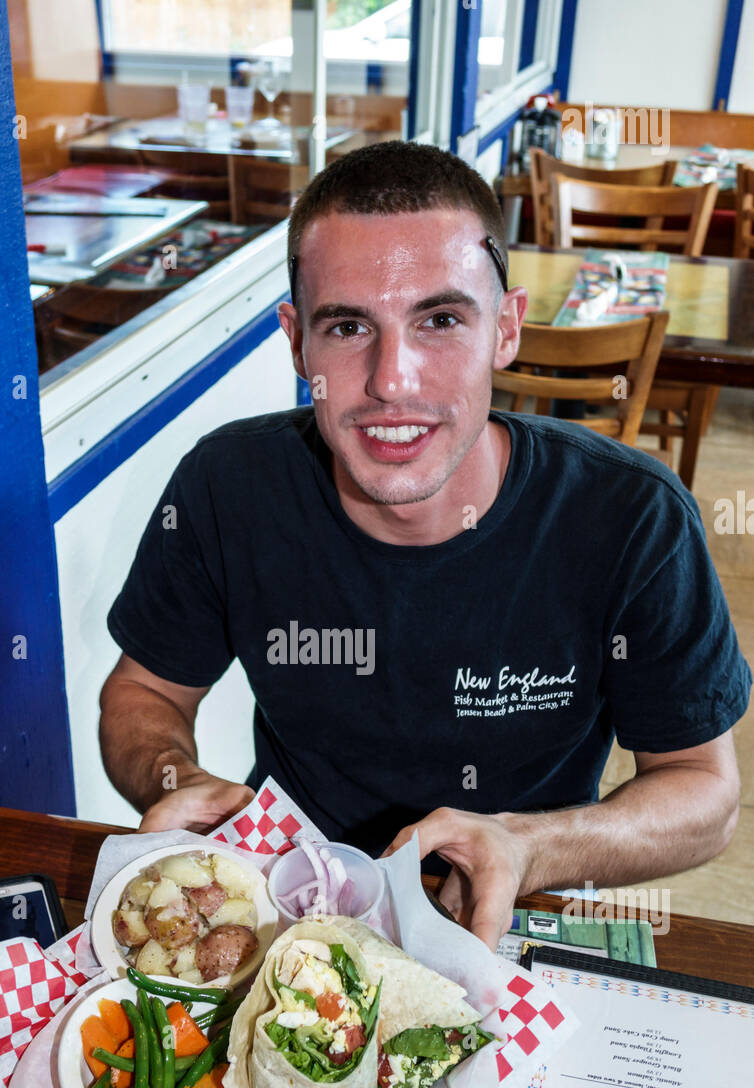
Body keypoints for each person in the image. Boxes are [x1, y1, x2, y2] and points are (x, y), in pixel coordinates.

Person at [99, 141, 750, 951]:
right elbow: (143, 694)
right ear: (298, 343)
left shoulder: (632, 517)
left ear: (505, 329)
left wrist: (530, 844)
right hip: (291, 897)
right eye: (347, 326)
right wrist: (176, 776)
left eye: (440, 320)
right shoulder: (225, 485)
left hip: (516, 910)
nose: (392, 380)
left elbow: (704, 793)